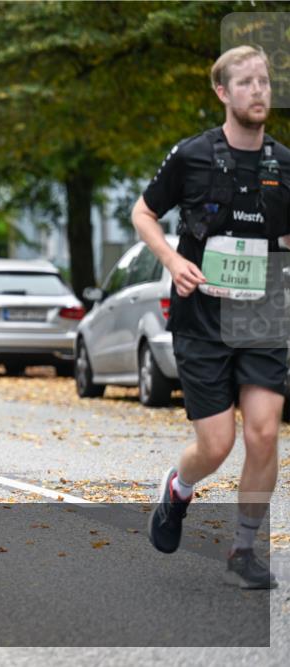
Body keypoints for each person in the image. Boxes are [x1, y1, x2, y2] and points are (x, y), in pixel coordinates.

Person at [133, 45, 290, 589]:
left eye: (264, 81)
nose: (258, 91)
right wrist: (173, 260)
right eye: (245, 82)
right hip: (201, 322)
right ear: (223, 93)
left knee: (265, 434)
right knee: (218, 444)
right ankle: (177, 490)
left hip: (264, 320)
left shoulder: (284, 164)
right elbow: (143, 212)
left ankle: (244, 550)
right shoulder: (192, 155)